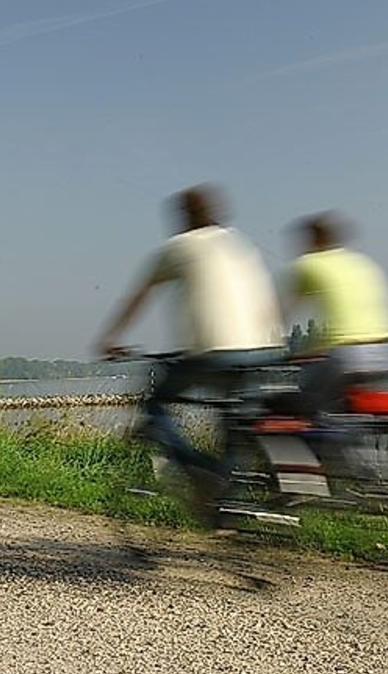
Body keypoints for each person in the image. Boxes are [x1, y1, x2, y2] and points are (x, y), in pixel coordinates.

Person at [96, 184, 283, 518]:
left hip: (214, 352)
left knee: (155, 404)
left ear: (184, 216)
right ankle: (224, 507)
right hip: (264, 349)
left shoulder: (179, 246)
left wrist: (110, 338)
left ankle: (200, 471)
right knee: (235, 424)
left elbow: (138, 298)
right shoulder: (240, 244)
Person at [285, 212, 388, 415]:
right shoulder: (363, 263)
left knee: (308, 400)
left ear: (312, 239)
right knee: (358, 405)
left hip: (346, 356)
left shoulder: (309, 263)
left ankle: (322, 431)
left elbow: (285, 311)